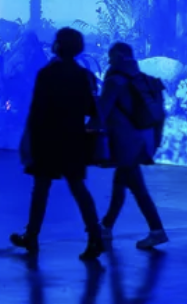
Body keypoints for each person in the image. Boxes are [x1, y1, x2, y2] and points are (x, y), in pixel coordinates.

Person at [12, 28, 108, 261]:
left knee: (40, 190)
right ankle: (95, 236)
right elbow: (90, 109)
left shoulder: (47, 74)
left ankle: (32, 236)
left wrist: (29, 140)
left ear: (59, 46)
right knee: (79, 189)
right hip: (74, 140)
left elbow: (37, 112)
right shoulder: (83, 75)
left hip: (47, 140)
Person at [95, 40, 170, 251]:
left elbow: (101, 112)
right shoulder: (145, 80)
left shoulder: (114, 82)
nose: (108, 60)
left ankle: (157, 230)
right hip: (142, 141)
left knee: (138, 189)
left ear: (117, 57)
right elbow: (159, 115)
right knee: (121, 185)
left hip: (124, 144)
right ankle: (106, 226)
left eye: (111, 56)